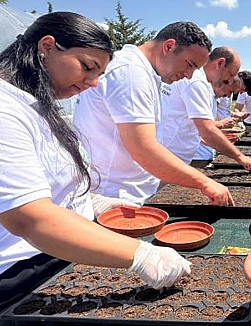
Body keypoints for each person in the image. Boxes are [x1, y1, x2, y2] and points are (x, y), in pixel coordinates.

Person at [0, 12, 191, 326]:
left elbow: (44, 184)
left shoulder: (37, 101)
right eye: (88, 66)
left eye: (99, 73)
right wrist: (140, 255)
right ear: (47, 46)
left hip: (59, 255)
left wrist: (90, 202)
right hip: (17, 278)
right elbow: (29, 218)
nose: (92, 82)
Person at [73, 22, 233, 206]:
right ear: (169, 46)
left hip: (125, 191)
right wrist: (204, 182)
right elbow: (144, 149)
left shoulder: (144, 72)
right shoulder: (132, 73)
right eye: (189, 64)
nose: (189, 75)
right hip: (114, 195)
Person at [158, 46, 251, 170]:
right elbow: (207, 131)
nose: (230, 80)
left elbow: (198, 131)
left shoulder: (202, 84)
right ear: (220, 63)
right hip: (172, 157)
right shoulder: (196, 82)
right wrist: (240, 157)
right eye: (230, 74)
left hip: (175, 156)